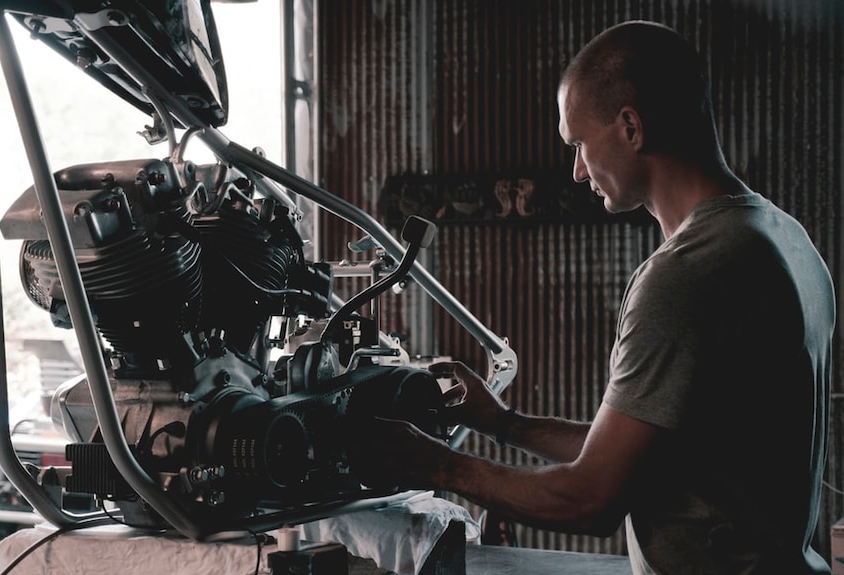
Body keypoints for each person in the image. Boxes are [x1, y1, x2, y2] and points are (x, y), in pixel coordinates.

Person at [350, 20, 835, 574]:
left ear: (631, 127)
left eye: (579, 143)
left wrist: (434, 465)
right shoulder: (784, 238)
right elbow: (646, 457)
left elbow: (591, 499)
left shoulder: (687, 274)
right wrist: (505, 424)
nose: (578, 170)